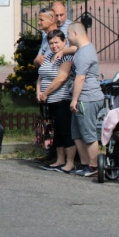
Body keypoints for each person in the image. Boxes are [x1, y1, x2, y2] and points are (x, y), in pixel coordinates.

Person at [66, 23, 105, 177]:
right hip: (83, 99)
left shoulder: (83, 54)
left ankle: (94, 165)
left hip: (87, 98)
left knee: (88, 135)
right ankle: (84, 163)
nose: (68, 38)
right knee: (77, 133)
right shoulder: (84, 49)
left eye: (68, 34)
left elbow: (80, 78)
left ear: (75, 33)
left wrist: (74, 99)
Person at [36, 29, 76, 173]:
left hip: (62, 99)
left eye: (57, 42)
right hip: (49, 101)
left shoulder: (66, 57)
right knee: (56, 132)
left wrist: (46, 92)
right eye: (51, 43)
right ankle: (59, 160)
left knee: (65, 131)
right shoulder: (49, 56)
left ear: (64, 42)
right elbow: (41, 75)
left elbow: (61, 78)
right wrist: (38, 91)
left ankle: (70, 162)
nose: (54, 46)